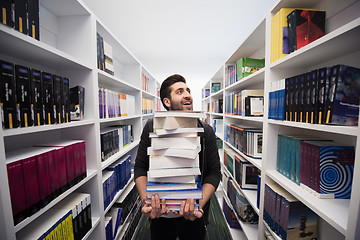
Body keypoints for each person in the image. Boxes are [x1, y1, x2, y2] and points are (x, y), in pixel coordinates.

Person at [134, 74, 221, 240]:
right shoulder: (151, 128)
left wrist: (197, 205)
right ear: (167, 102)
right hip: (160, 215)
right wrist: (148, 202)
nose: (188, 94)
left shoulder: (206, 131)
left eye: (188, 90)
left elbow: (214, 173)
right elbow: (140, 168)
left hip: (193, 215)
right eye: (180, 92)